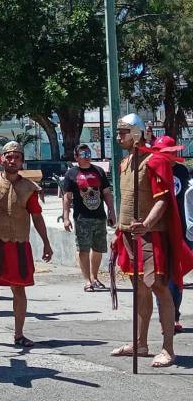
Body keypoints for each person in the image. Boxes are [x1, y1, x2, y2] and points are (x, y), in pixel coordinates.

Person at [110, 116, 193, 367]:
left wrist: (145, 223)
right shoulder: (125, 162)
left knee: (159, 288)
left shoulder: (154, 161)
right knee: (139, 290)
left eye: (123, 132)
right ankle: (140, 343)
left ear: (136, 133)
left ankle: (168, 348)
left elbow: (163, 199)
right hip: (128, 235)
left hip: (151, 235)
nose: (118, 137)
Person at [0, 141, 54, 348]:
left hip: (19, 245)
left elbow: (37, 216)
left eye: (17, 157)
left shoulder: (28, 188)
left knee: (19, 290)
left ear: (22, 161)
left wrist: (46, 243)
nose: (12, 160)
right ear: (2, 159)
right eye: (9, 156)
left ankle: (19, 334)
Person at [62, 144, 116, 291]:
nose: (86, 157)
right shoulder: (71, 174)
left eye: (88, 153)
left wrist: (112, 211)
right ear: (76, 157)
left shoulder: (98, 171)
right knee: (83, 249)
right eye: (83, 154)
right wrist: (66, 217)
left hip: (99, 216)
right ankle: (87, 281)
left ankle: (95, 277)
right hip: (81, 217)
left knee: (98, 248)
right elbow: (67, 197)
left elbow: (106, 193)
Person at [154, 136, 190, 333]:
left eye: (170, 152)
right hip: (159, 229)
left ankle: (174, 315)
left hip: (181, 229)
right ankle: (165, 318)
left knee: (176, 276)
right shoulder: (152, 170)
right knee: (162, 277)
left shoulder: (182, 171)